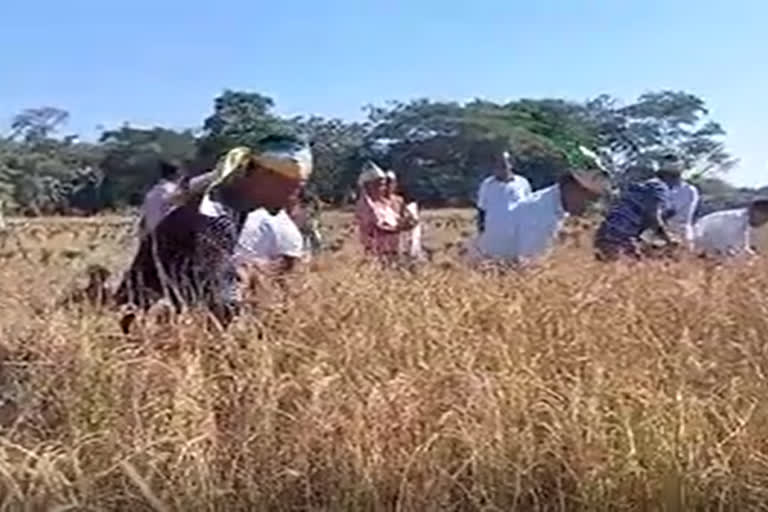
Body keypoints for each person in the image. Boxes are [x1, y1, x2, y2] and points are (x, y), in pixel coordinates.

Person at [114, 135, 313, 333]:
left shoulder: (230, 209)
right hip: (149, 330)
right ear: (265, 177)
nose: (294, 198)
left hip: (162, 325)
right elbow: (220, 305)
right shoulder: (215, 216)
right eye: (295, 188)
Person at [468, 146, 608, 264]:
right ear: (571, 188)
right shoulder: (542, 217)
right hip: (486, 264)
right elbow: (528, 269)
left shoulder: (537, 196)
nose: (592, 205)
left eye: (595, 198)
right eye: (589, 197)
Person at [594, 161, 678, 261]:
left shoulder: (637, 187)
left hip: (603, 234)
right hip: (619, 237)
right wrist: (668, 239)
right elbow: (653, 215)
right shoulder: (659, 188)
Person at [355, 161, 414, 261]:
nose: (382, 188)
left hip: (396, 249)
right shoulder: (365, 205)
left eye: (382, 184)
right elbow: (376, 228)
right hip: (376, 252)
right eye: (378, 185)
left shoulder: (387, 203)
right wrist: (397, 229)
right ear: (368, 186)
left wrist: (408, 223)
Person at [476, 149, 532, 235]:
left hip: (517, 232)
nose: (500, 168)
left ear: (510, 165)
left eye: (503, 164)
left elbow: (529, 207)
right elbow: (482, 209)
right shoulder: (487, 184)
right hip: (494, 232)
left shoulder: (523, 183)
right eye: (497, 165)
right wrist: (481, 230)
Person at [693, 199, 768, 257]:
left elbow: (742, 249)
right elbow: (729, 251)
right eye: (764, 217)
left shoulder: (743, 221)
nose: (764, 222)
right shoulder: (734, 221)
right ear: (755, 211)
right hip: (696, 248)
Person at [658, 154, 699, 250]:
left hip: (680, 234)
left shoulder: (688, 190)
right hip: (660, 235)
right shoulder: (660, 189)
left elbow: (670, 212)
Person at [138, 160, 182, 237]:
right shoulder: (174, 192)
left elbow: (144, 218)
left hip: (152, 236)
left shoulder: (151, 193)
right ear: (175, 175)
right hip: (170, 236)